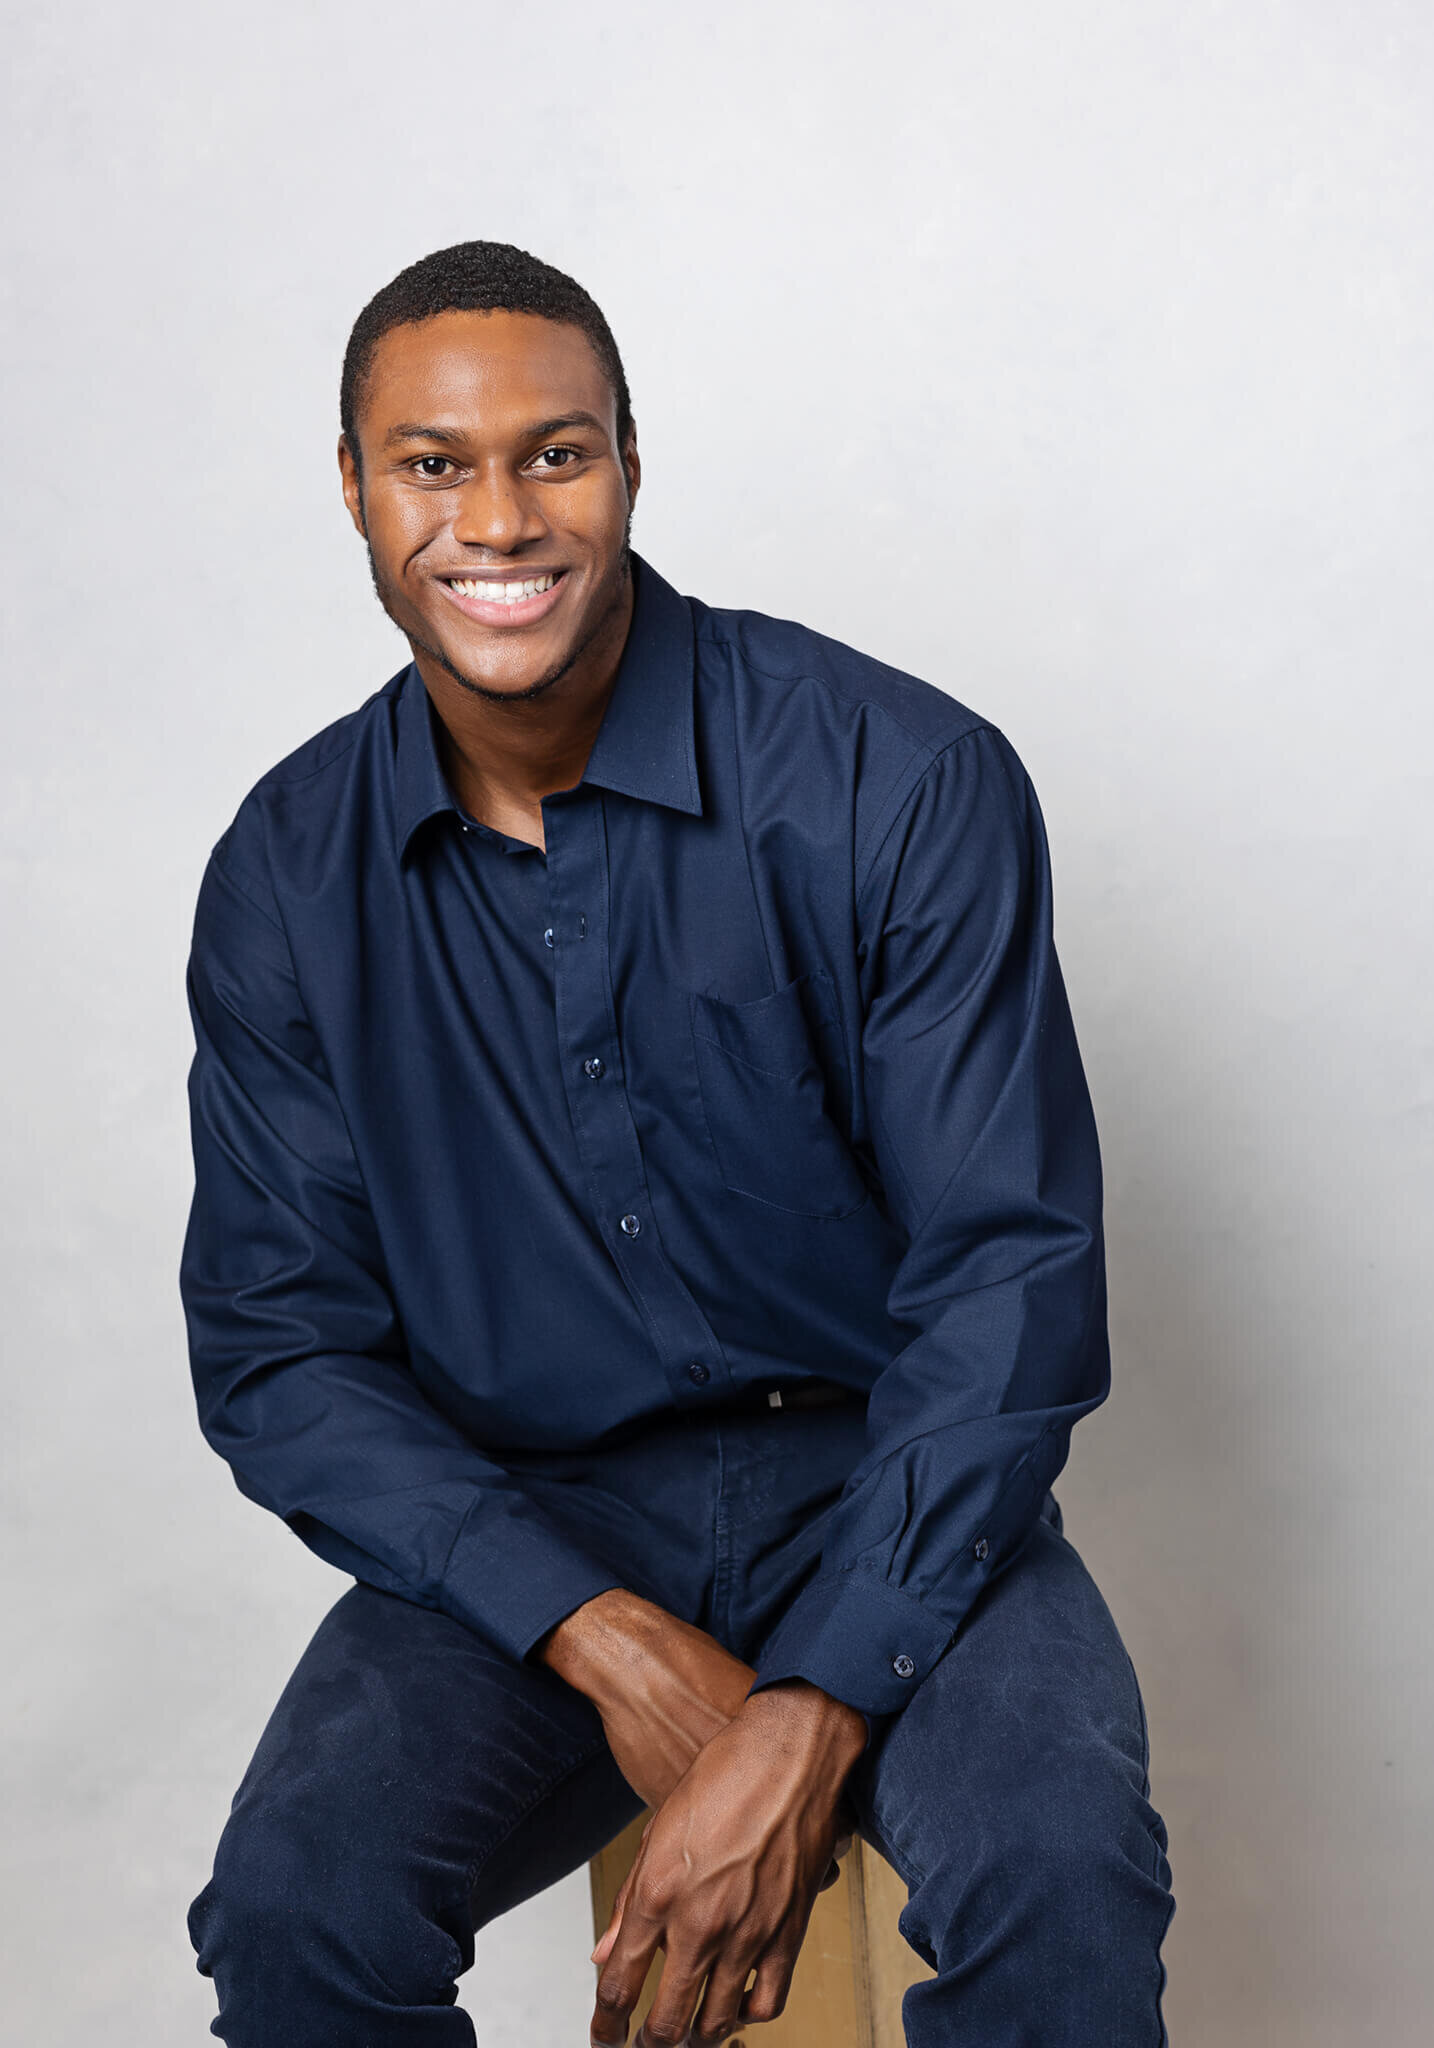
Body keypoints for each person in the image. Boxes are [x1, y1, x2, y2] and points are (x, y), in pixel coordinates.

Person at [179, 239, 1175, 2048]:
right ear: (352, 487)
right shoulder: (284, 873)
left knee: (1062, 1889)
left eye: (555, 453)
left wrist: (813, 1698)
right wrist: (594, 1630)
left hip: (895, 1478)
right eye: (431, 464)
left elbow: (1008, 1276)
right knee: (296, 1909)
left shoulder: (899, 777)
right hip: (526, 1517)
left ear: (630, 462)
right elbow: (283, 1347)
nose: (497, 519)